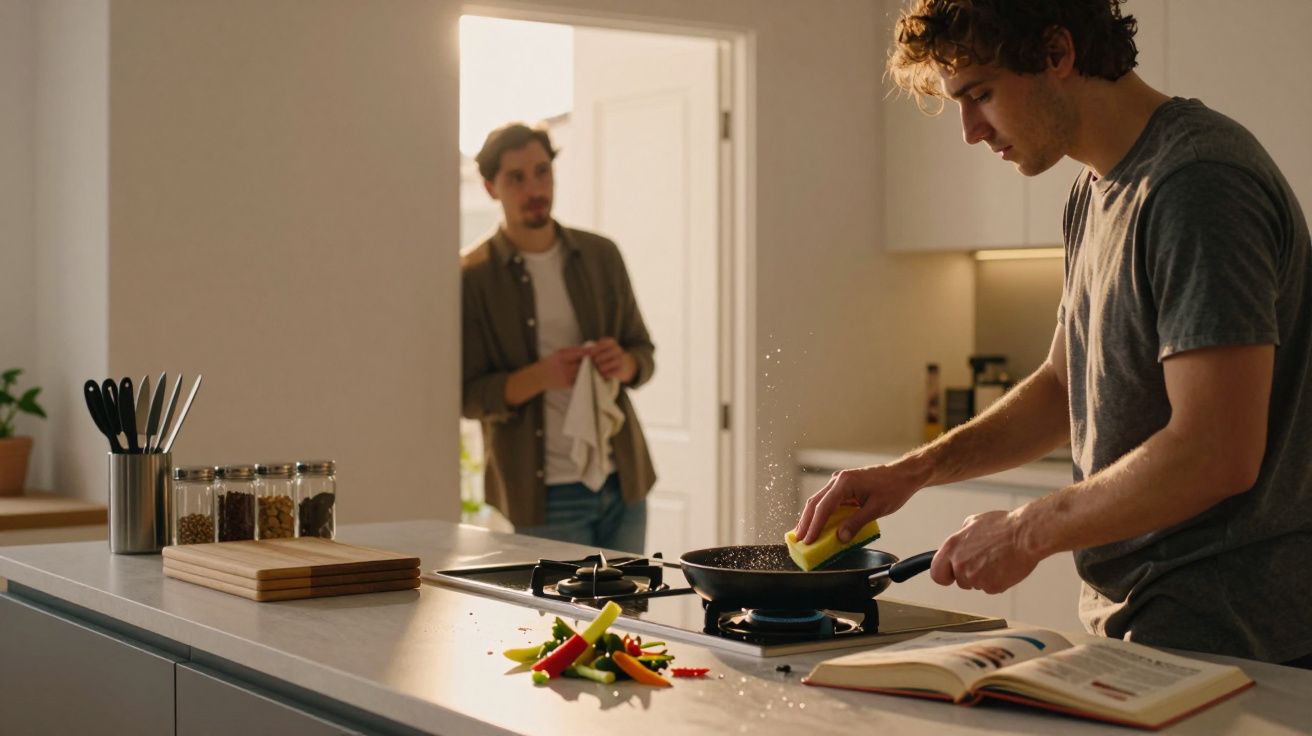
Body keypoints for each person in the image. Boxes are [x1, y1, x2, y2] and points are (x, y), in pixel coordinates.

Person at [796, 0, 1312, 666]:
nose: (970, 131)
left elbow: (1217, 450)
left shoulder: (1196, 185)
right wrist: (914, 472)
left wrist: (1025, 531)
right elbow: (1063, 386)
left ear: (1058, 53)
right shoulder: (1093, 190)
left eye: (980, 94)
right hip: (1143, 618)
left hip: (1234, 632)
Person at [461, 122, 657, 553]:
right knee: (562, 621)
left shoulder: (601, 255)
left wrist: (623, 363)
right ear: (491, 188)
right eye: (517, 177)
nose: (535, 188)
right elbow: (468, 395)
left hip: (623, 482)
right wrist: (541, 376)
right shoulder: (472, 277)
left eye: (542, 171)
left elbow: (643, 352)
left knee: (631, 617)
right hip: (545, 496)